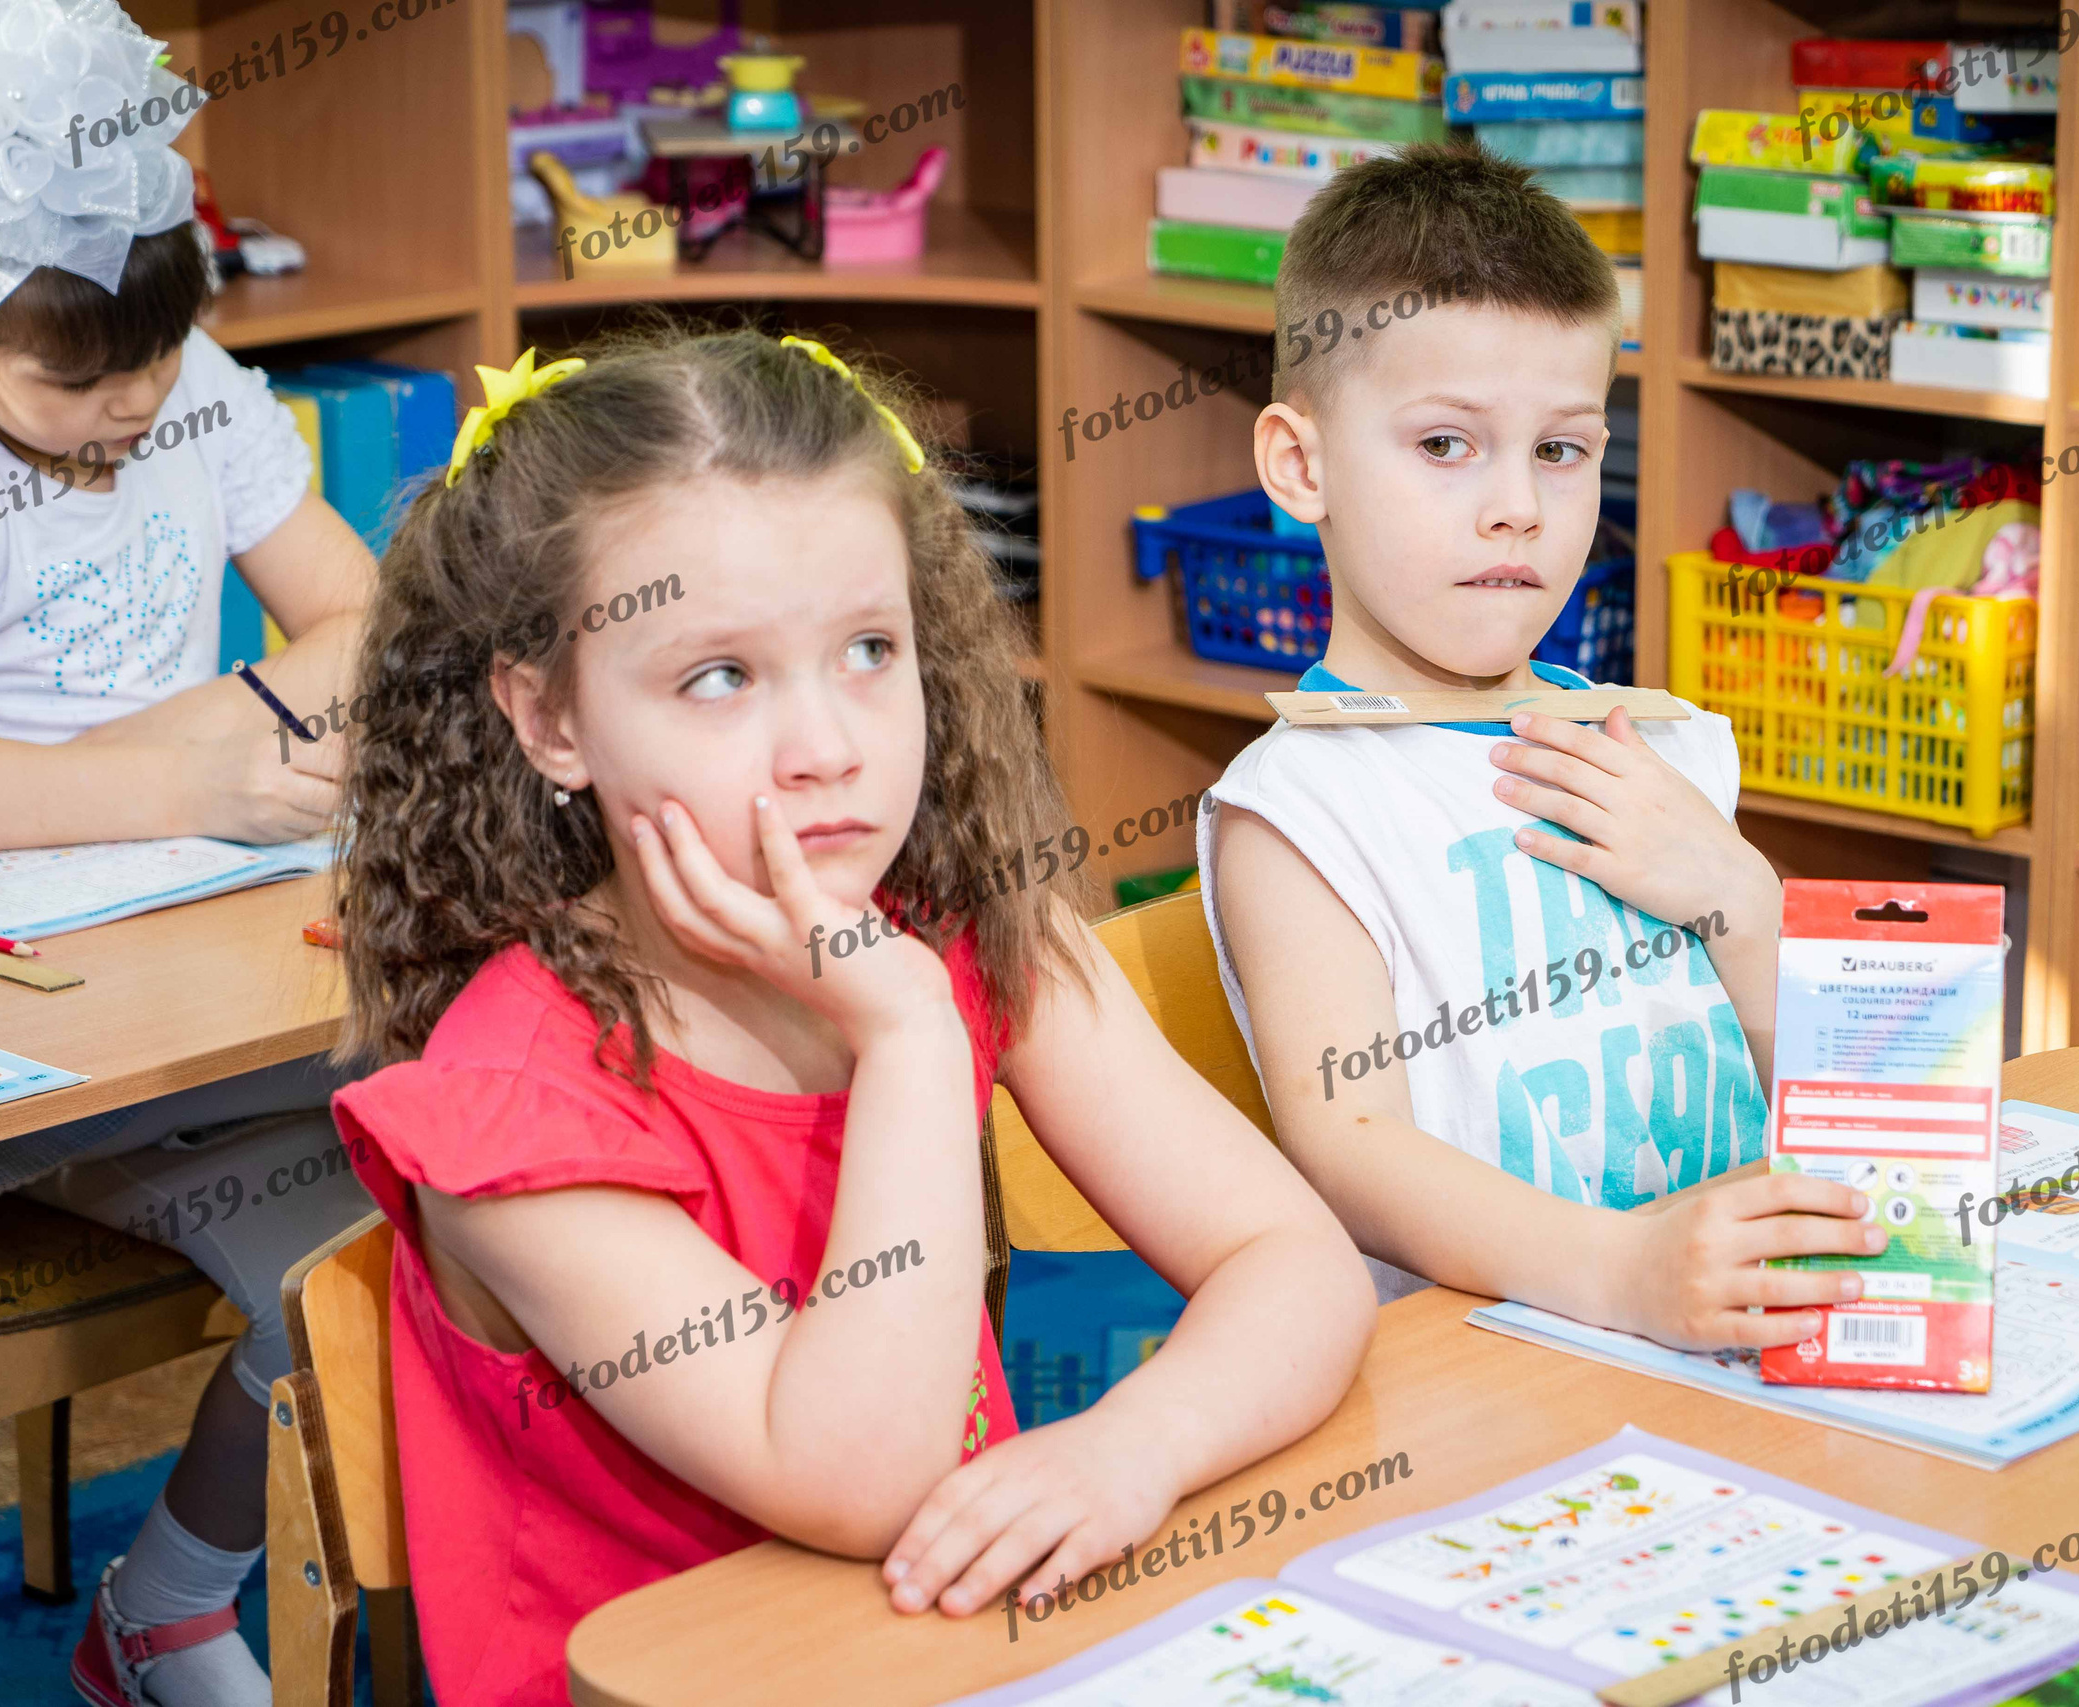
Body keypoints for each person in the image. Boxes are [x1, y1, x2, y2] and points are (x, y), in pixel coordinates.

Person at [326, 326, 1374, 1704]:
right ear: (552, 719)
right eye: (720, 676)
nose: (828, 743)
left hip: (954, 1658)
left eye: (871, 649)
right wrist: (910, 1037)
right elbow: (863, 1478)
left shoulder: (976, 932)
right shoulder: (511, 1115)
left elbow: (1300, 1264)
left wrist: (1137, 1447)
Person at [0, 3, 381, 1703]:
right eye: (80, 381)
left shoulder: (197, 398)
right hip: (11, 1044)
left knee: (443, 1187)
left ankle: (169, 1595)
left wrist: (218, 742)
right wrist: (168, 770)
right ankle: (170, 1616)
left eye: (159, 358)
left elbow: (359, 620)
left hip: (184, 962)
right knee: (366, 1230)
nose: (132, 407)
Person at [1203, 144, 1891, 1349]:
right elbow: (1346, 1146)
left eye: (1560, 450)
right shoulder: (1300, 810)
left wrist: (1741, 896)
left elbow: (1843, 1094)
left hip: (1732, 1344)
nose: (1516, 504)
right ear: (1301, 466)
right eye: (1444, 445)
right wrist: (1620, 1271)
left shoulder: (1661, 747)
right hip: (1479, 1383)